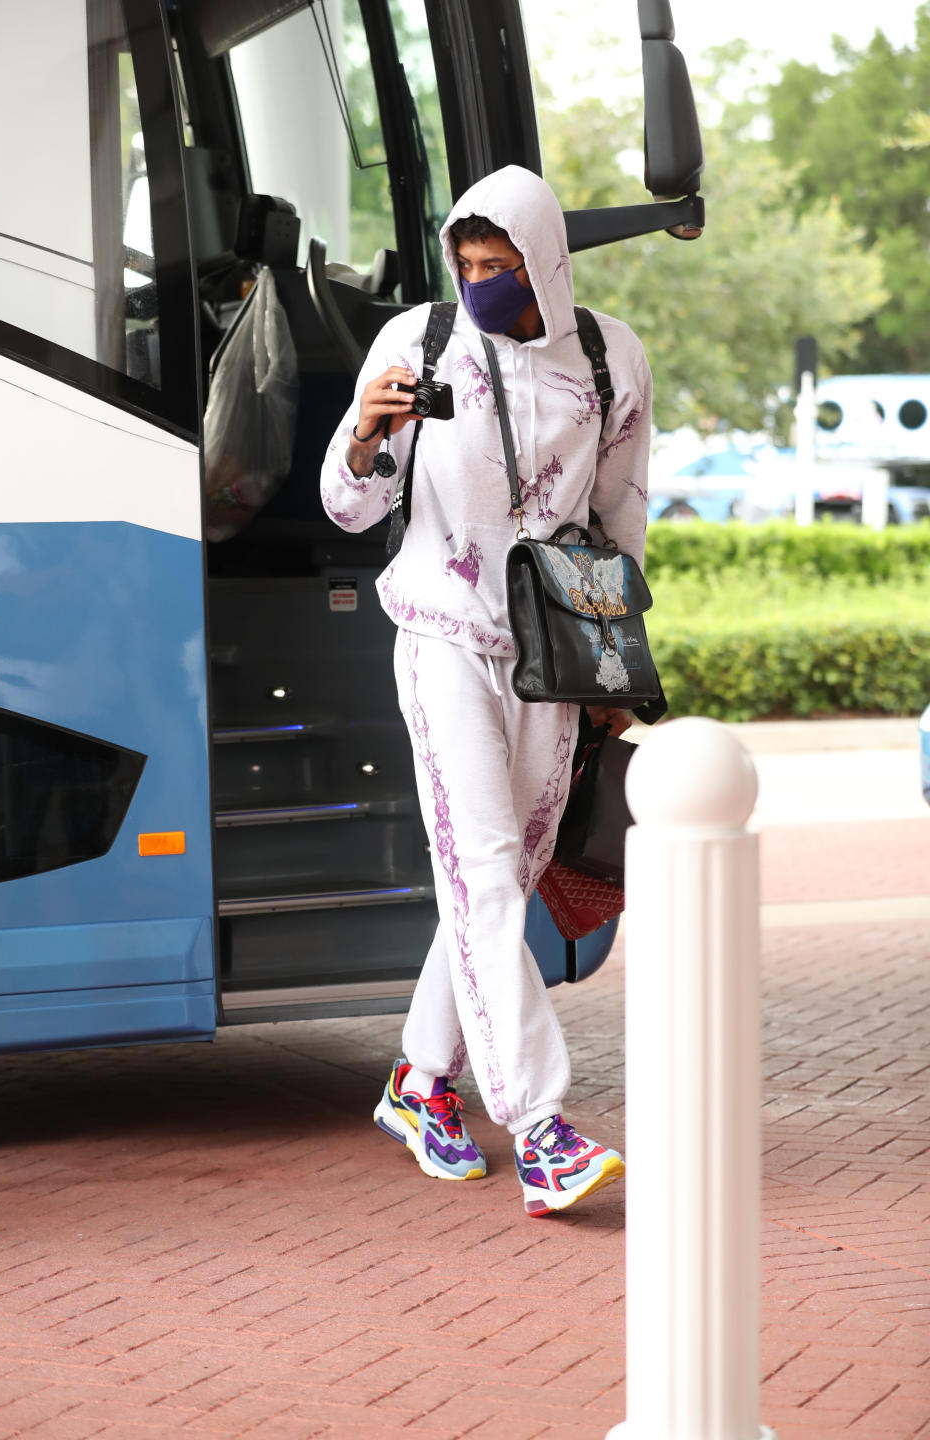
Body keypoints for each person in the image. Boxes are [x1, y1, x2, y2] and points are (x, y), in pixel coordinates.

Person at [319, 165, 652, 1216]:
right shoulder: (419, 343)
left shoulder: (606, 356)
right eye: (464, 266)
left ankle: (422, 1083)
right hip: (441, 640)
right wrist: (368, 433)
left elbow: (620, 517)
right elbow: (344, 504)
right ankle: (541, 1125)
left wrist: (614, 664)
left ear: (544, 261)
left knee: (500, 875)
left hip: (552, 653)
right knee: (489, 872)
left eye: (499, 267)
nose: (479, 284)